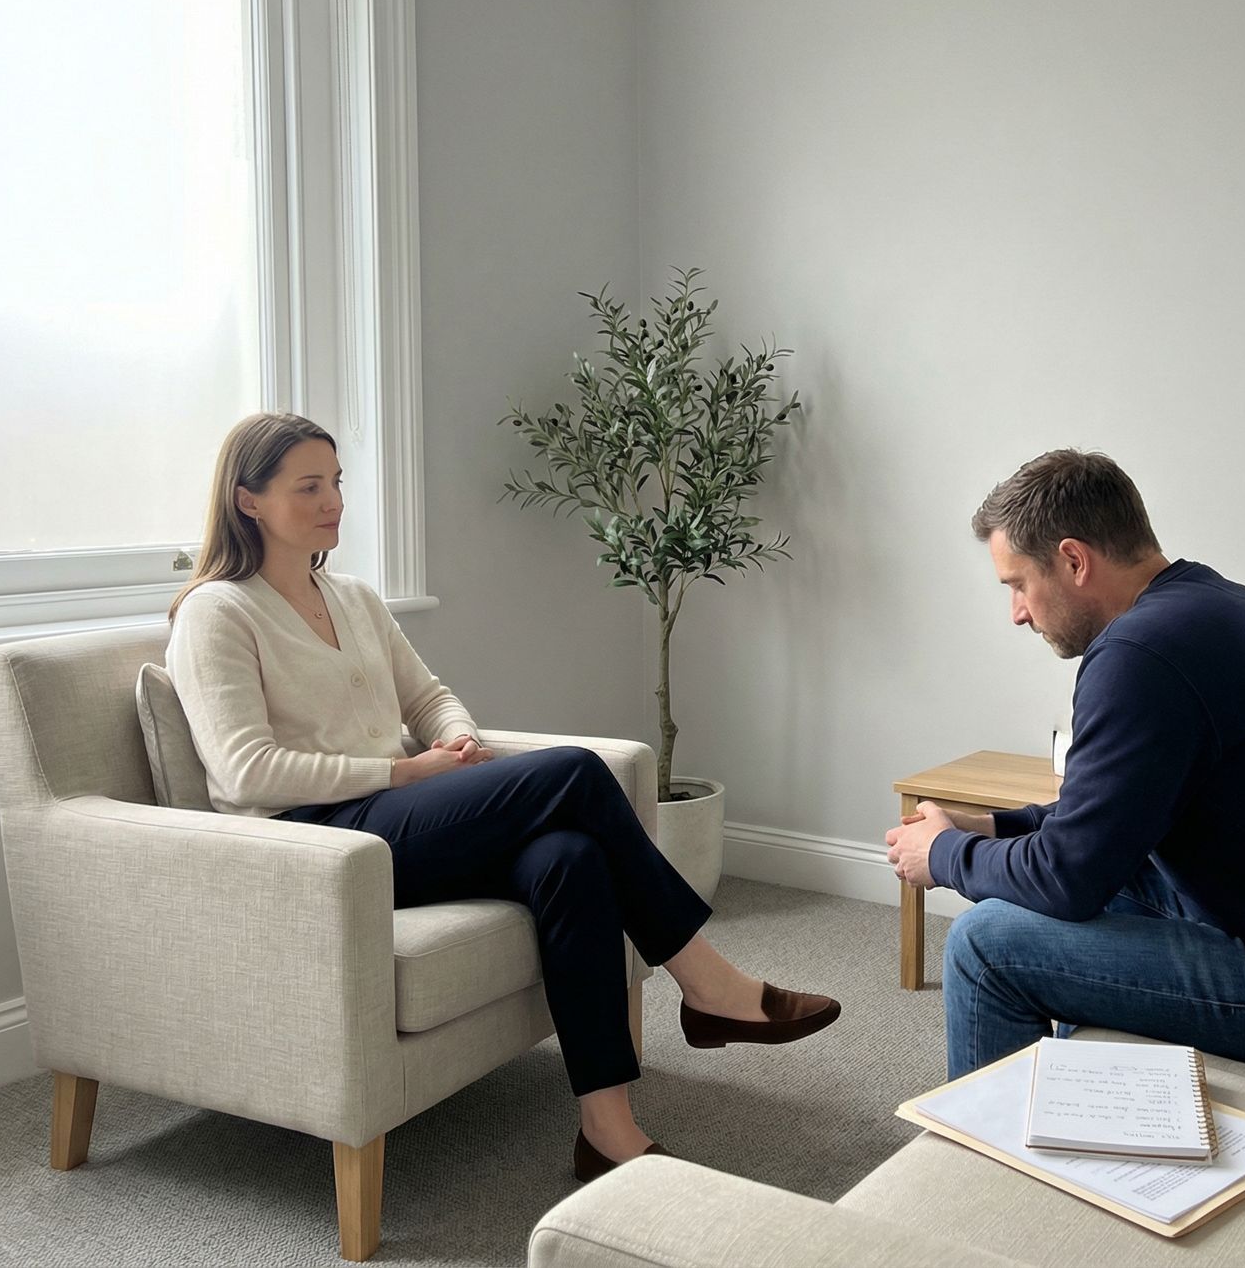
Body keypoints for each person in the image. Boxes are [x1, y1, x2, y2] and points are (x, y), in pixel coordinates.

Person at [166, 412, 839, 1182]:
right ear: (248, 500)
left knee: (570, 856)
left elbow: (428, 697)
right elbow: (244, 770)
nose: (333, 501)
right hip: (317, 844)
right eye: (308, 486)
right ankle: (709, 984)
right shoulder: (216, 611)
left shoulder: (350, 597)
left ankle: (607, 1130)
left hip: (395, 819)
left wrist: (457, 741)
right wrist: (403, 774)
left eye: (337, 482)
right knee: (576, 771)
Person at [886, 449, 1245, 1084]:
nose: (1018, 613)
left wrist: (944, 855)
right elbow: (1108, 825)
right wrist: (988, 828)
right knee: (1106, 881)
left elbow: (1068, 878)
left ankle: (989, 1180)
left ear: (1074, 560)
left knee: (985, 944)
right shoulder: (1203, 605)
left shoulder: (1138, 655)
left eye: (1017, 584)